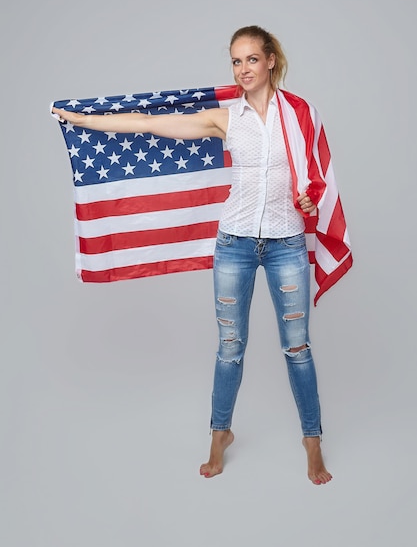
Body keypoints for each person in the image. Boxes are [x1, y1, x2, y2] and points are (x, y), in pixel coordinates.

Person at [53, 25, 333, 485]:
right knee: (229, 348)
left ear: (271, 62)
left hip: (286, 243)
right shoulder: (226, 118)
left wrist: (307, 201)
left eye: (251, 59)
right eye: (236, 61)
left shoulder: (301, 116)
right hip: (235, 244)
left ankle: (312, 442)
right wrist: (86, 121)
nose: (243, 69)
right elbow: (148, 124)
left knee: (298, 347)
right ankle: (219, 435)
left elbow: (316, 178)